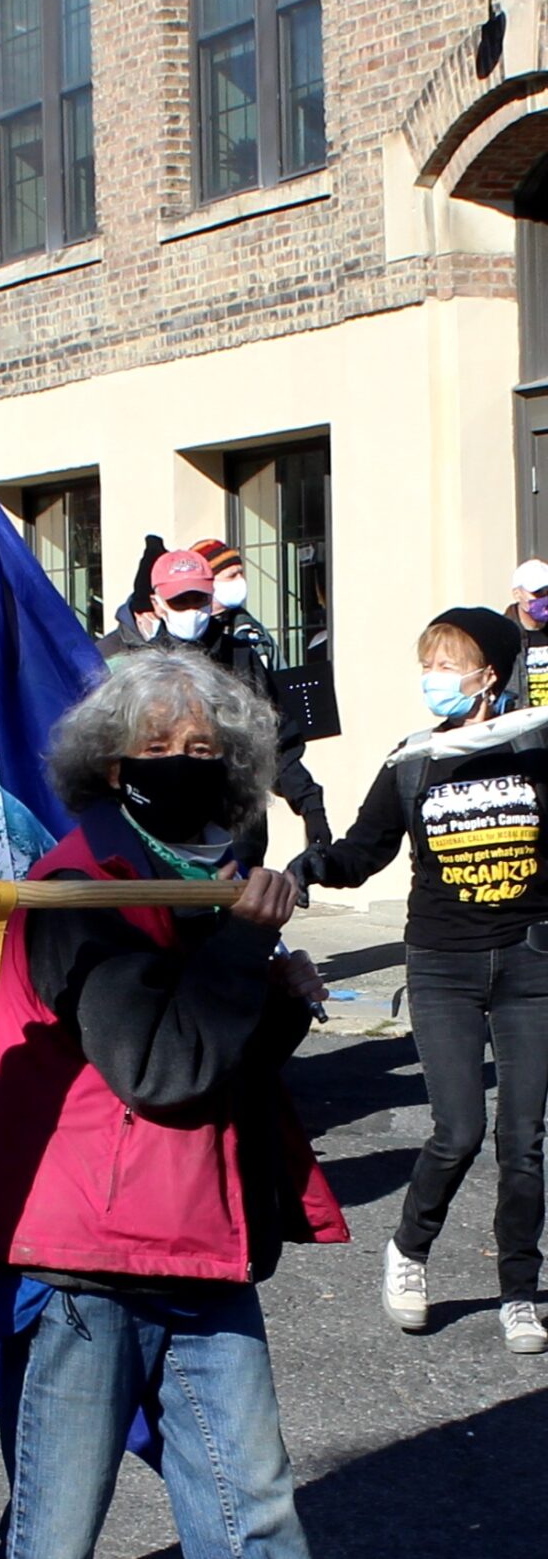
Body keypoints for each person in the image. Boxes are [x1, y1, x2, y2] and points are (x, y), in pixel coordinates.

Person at [0, 649, 396, 1559]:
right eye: (165, 749)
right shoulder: (77, 885)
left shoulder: (212, 879)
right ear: (110, 762)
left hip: (199, 1244)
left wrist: (277, 997)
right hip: (86, 1254)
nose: (189, 768)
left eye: (211, 753)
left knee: (253, 1510)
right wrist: (247, 958)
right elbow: (162, 1070)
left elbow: (227, 1070)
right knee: (54, 1532)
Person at [295, 604, 548, 1355]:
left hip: (531, 964)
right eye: (428, 662)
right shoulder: (414, 761)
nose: (433, 677)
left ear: (487, 675)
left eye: (447, 663)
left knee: (525, 1141)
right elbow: (364, 851)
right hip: (442, 965)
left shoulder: (534, 751)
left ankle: (519, 1292)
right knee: (458, 1129)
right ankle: (408, 1250)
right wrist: (315, 864)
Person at [115, 548, 329, 861]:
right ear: (158, 604)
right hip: (164, 834)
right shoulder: (140, 669)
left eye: (198, 599)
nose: (191, 610)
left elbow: (277, 742)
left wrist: (311, 805)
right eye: (180, 601)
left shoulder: (243, 658)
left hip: (237, 829)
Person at [507, 557, 548, 708]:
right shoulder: (503, 636)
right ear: (518, 594)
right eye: (538, 593)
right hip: (523, 726)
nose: (545, 599)